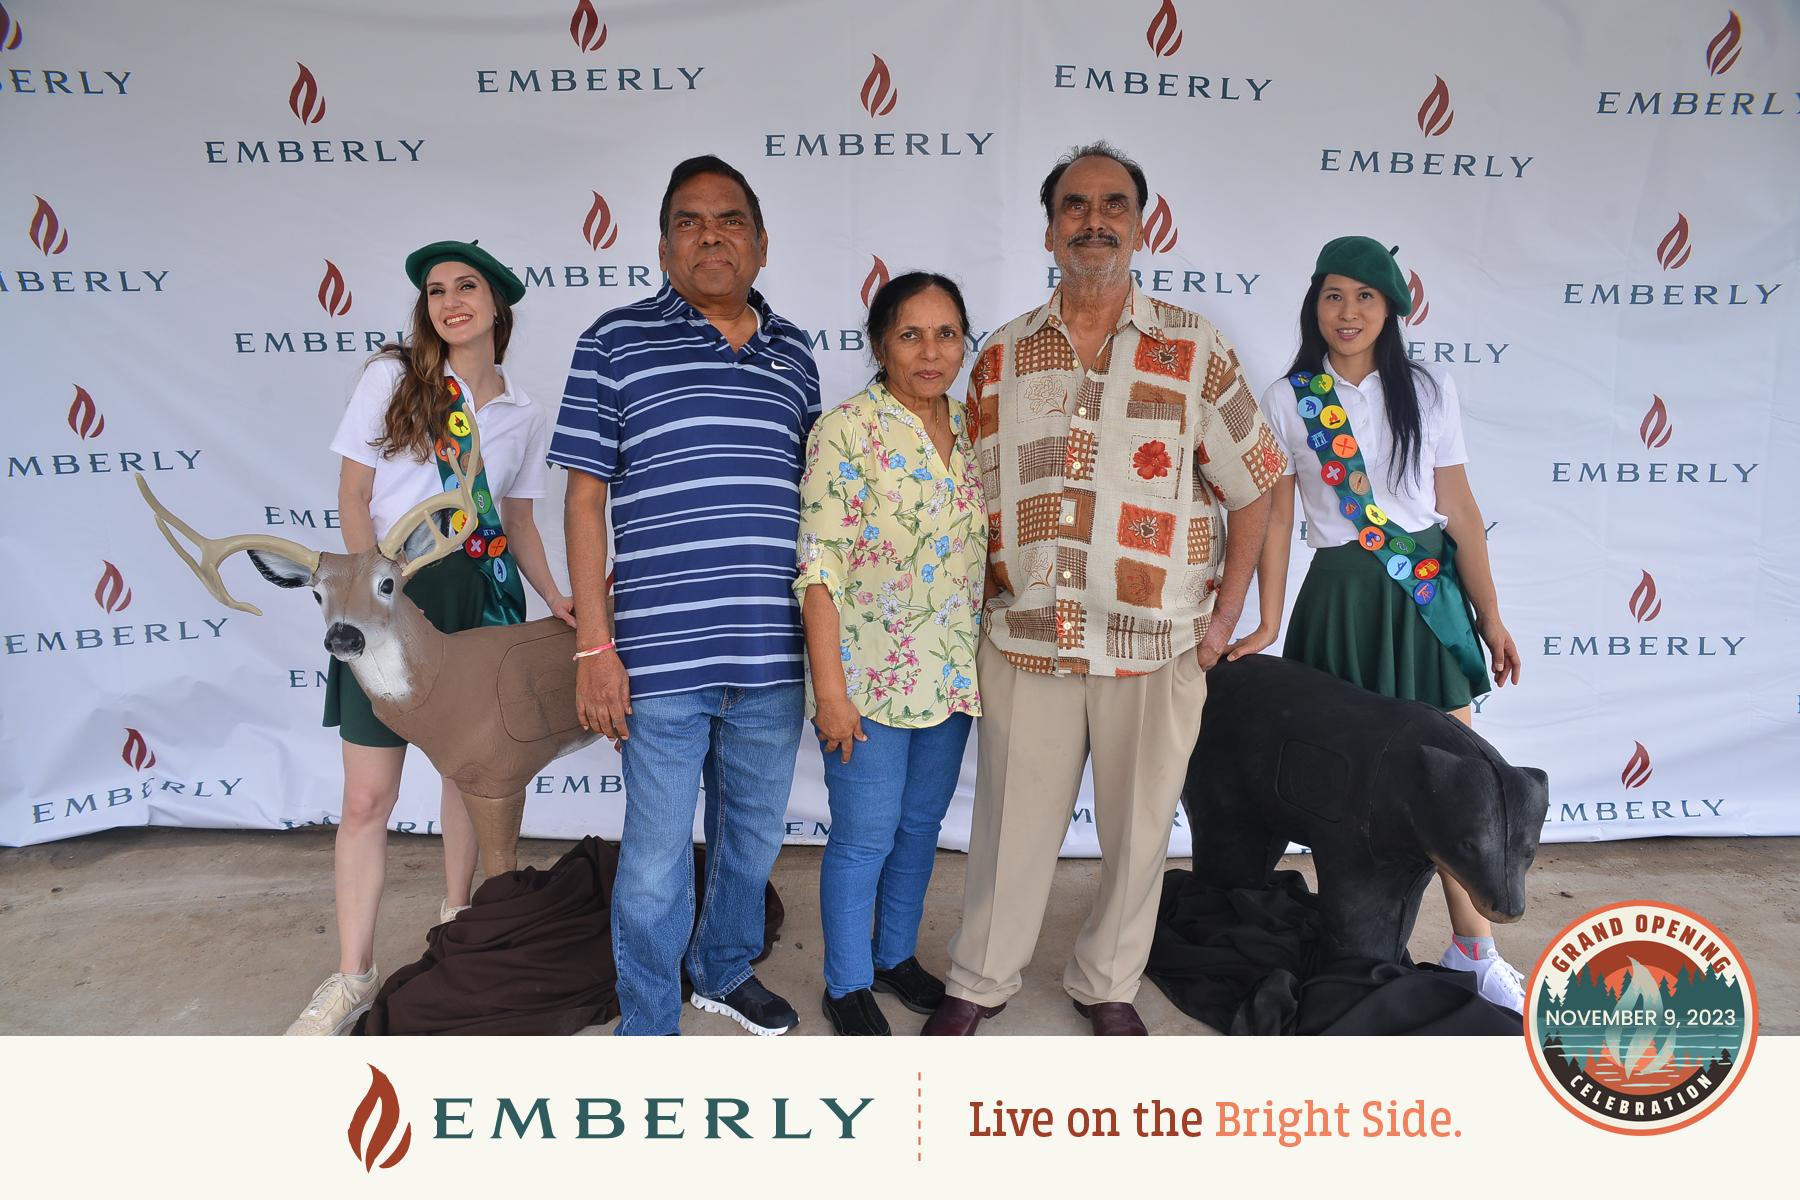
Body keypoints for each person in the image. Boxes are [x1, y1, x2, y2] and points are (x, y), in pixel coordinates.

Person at [924, 143, 1285, 1037]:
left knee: (1138, 834)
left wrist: (1225, 619)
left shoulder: (1196, 349)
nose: (1095, 221)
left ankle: (1107, 979)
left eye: (1113, 205)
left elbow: (1259, 482)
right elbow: (961, 502)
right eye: (1076, 206)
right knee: (1010, 829)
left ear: (1141, 224)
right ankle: (980, 977)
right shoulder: (999, 358)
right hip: (1027, 636)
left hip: (1157, 641)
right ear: (1049, 229)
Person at [550, 156, 822, 1036]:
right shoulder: (614, 342)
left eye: (731, 219)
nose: (712, 235)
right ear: (665, 246)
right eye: (691, 221)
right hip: (660, 656)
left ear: (761, 241)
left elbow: (811, 505)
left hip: (772, 654)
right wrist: (597, 648)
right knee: (658, 860)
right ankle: (647, 1020)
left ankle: (721, 967)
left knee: (751, 841)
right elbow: (584, 499)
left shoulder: (797, 356)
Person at [1230, 235, 1527, 1010]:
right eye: (1334, 295)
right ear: (1314, 306)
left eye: (1365, 296)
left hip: (1427, 602)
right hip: (1340, 603)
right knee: (1346, 782)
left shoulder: (1429, 389)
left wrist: (1491, 616)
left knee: (1454, 781)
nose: (1348, 311)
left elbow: (1458, 508)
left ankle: (1475, 949)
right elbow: (1276, 517)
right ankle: (1361, 941)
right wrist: (1265, 624)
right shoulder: (1289, 397)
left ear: (1392, 306)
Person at [288, 239, 574, 1036]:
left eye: (466, 286)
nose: (450, 301)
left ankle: (459, 932)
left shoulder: (521, 408)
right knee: (366, 797)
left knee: (468, 782)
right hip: (392, 599)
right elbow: (355, 493)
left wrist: (555, 596)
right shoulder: (393, 378)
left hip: (479, 597)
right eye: (437, 290)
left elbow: (515, 519)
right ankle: (351, 977)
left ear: (496, 305)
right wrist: (369, 589)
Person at [795, 273, 986, 1035]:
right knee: (865, 834)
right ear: (880, 345)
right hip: (866, 680)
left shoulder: (975, 429)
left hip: (948, 677)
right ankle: (845, 982)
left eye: (946, 334)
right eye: (911, 334)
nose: (931, 351)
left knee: (918, 829)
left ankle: (894, 957)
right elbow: (819, 567)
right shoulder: (846, 431)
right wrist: (830, 691)